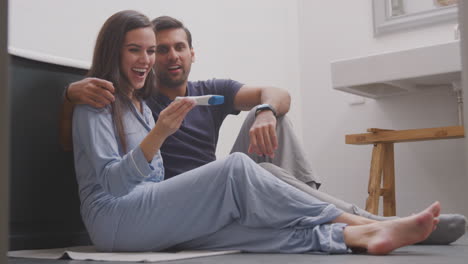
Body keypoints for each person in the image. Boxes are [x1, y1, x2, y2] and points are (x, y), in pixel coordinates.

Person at [61, 15, 465, 245]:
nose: (153, 59)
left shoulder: (146, 103)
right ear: (115, 50)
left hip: (162, 207)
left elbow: (276, 94)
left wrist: (267, 110)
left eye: (159, 49)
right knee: (237, 168)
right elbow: (112, 184)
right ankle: (367, 223)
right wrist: (71, 94)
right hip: (119, 217)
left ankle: (353, 237)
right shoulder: (98, 102)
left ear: (191, 52)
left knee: (245, 229)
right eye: (141, 50)